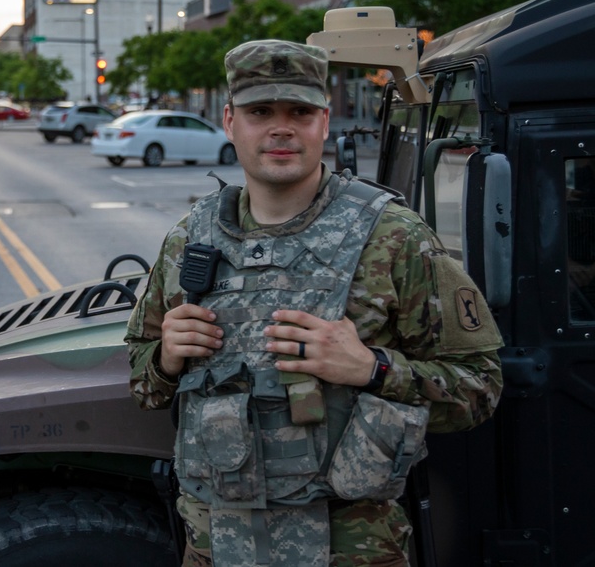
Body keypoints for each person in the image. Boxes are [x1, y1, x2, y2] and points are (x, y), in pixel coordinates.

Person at [126, 40, 503, 567]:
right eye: (261, 112)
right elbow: (142, 383)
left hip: (352, 552)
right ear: (230, 121)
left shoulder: (393, 236)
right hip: (217, 548)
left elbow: (480, 387)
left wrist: (371, 369)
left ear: (324, 123)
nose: (281, 128)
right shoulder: (190, 240)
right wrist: (165, 358)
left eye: (299, 112)